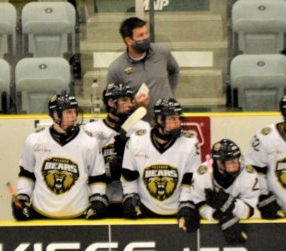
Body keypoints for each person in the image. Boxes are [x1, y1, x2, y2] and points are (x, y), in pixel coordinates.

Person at [14, 92, 108, 220]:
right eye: (68, 112)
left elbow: (97, 177)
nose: (74, 117)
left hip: (78, 214)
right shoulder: (34, 140)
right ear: (55, 115)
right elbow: (26, 174)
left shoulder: (89, 142)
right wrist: (22, 198)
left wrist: (98, 200)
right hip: (41, 213)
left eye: (75, 111)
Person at [121, 98, 199, 219]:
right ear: (159, 120)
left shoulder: (190, 143)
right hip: (145, 208)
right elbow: (129, 175)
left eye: (178, 117)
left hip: (178, 210)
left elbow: (189, 180)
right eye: (172, 118)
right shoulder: (137, 141)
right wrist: (130, 196)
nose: (177, 122)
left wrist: (186, 203)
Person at [83, 82, 149, 216]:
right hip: (101, 197)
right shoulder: (91, 130)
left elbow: (150, 166)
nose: (131, 104)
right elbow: (84, 168)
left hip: (135, 197)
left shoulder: (142, 128)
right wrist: (106, 171)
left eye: (131, 100)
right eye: (125, 100)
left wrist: (129, 154)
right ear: (111, 103)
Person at [178, 139, 261, 245]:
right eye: (231, 161)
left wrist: (229, 203)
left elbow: (248, 210)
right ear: (219, 163)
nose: (236, 164)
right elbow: (200, 205)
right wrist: (218, 216)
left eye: (237, 159)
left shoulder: (248, 174)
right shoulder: (202, 175)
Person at [105, 17, 180, 122]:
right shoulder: (116, 69)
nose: (146, 37)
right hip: (138, 129)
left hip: (167, 124)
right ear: (128, 41)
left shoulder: (162, 52)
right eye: (141, 35)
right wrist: (134, 104)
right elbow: (111, 106)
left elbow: (174, 71)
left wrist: (169, 95)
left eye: (146, 33)